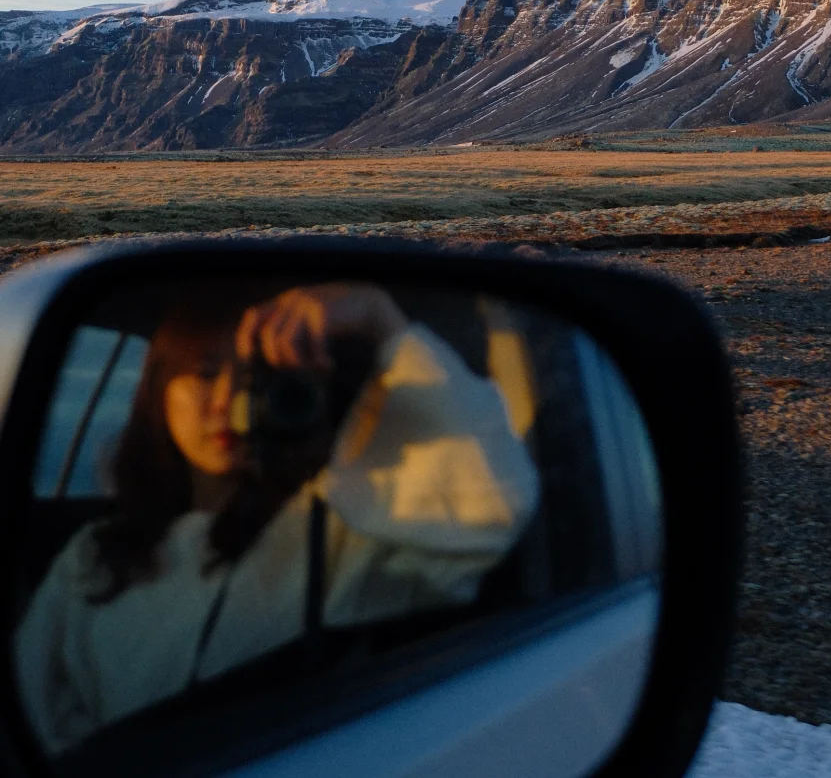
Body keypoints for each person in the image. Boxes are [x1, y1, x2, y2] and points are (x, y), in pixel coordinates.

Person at [16, 282, 539, 756]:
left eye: (256, 381)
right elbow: (37, 710)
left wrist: (380, 318)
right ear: (157, 391)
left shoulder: (340, 526)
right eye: (205, 372)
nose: (227, 400)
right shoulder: (93, 555)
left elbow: (490, 503)